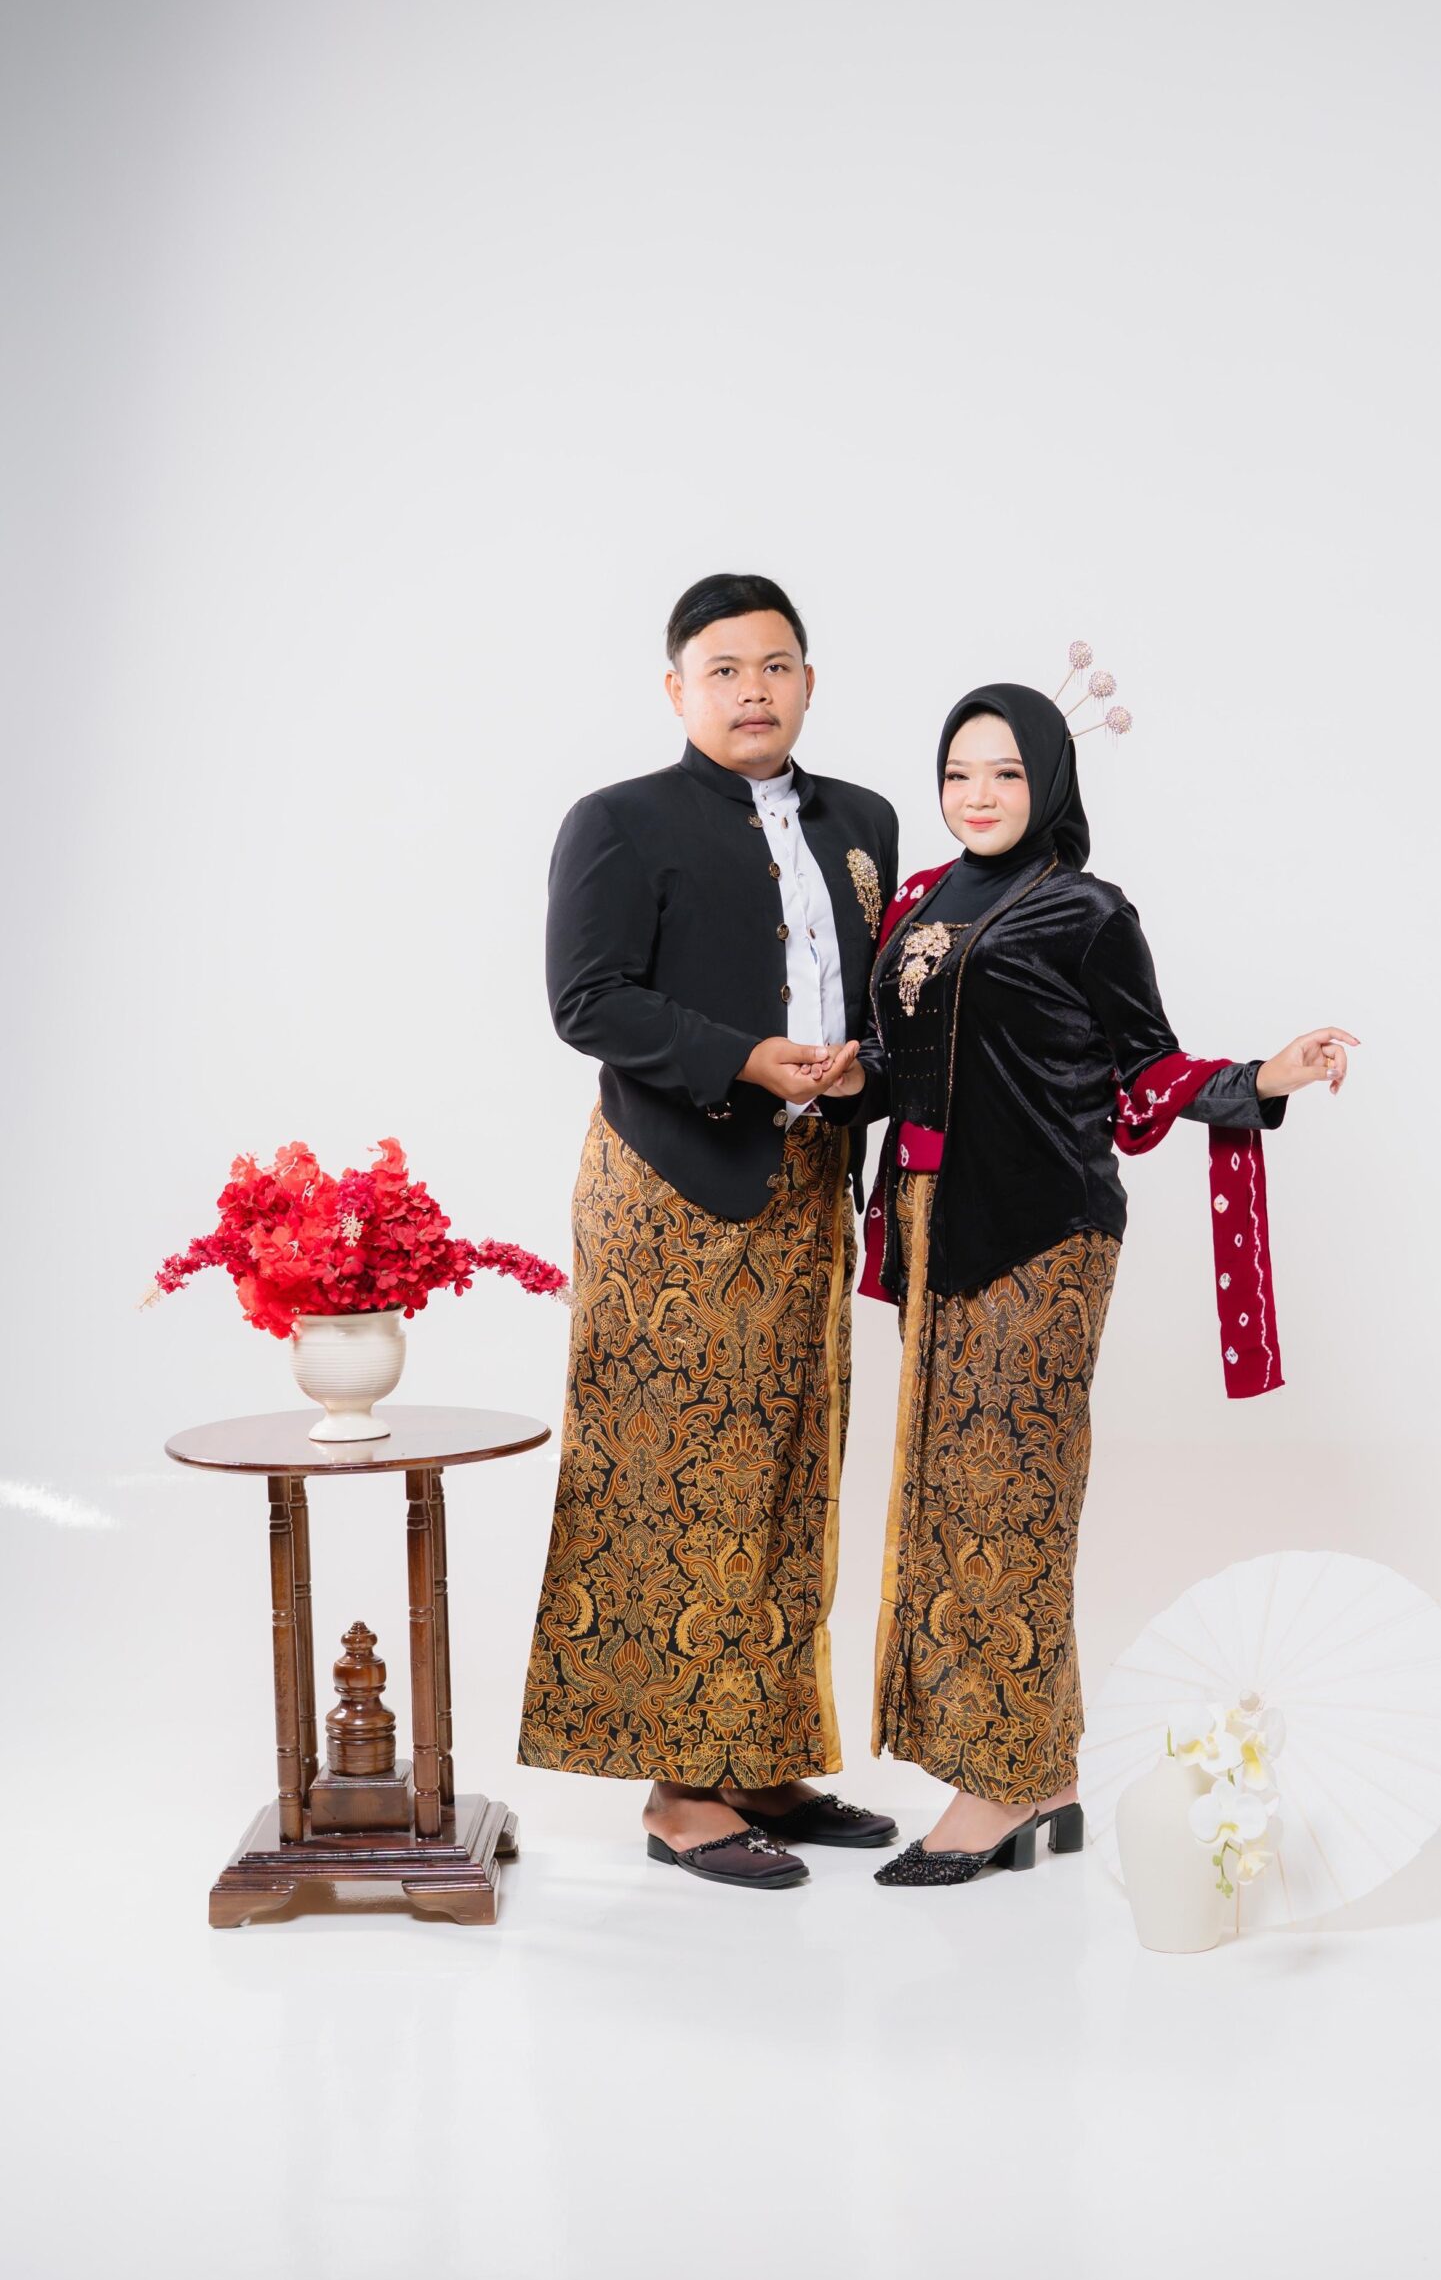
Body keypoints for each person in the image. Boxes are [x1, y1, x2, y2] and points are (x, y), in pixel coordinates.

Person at [818, 682, 1355, 1888]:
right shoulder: (919, 898)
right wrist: (839, 1075)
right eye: (958, 772)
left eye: (1006, 773)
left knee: (1009, 1497)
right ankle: (1044, 1772)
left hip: (1040, 1234)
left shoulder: (1086, 910)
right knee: (946, 1497)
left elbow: (1142, 1069)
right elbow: (901, 1054)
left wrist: (1262, 1074)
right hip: (930, 1225)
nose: (977, 795)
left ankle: (997, 1784)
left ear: (1051, 781)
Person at [518, 575, 901, 1888]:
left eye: (776, 665)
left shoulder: (862, 820)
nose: (753, 690)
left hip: (809, 1186)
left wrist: (861, 1071)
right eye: (724, 669)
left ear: (809, 681)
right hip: (668, 1185)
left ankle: (761, 1759)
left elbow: (878, 998)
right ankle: (682, 1795)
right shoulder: (620, 820)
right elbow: (586, 998)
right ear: (677, 687)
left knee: (791, 1467)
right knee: (671, 1473)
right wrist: (743, 1056)